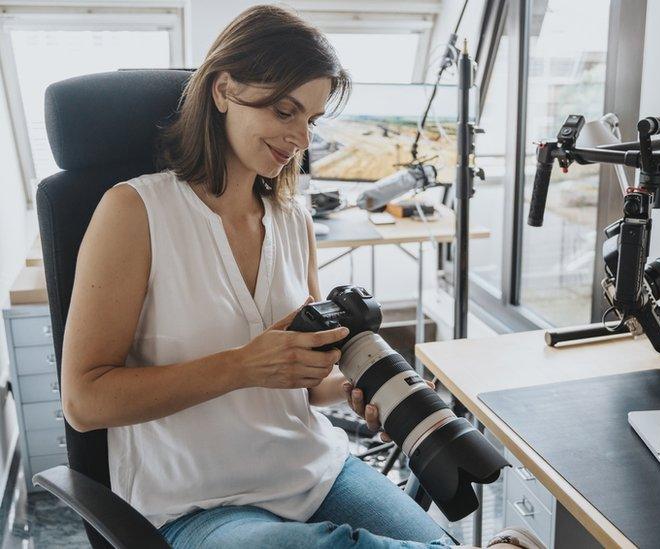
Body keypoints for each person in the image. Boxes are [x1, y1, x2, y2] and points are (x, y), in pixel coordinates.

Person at [60, 5, 540, 549]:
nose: (301, 139)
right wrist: (242, 366)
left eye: (311, 120)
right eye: (285, 111)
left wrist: (356, 388)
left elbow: (307, 383)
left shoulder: (292, 219)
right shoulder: (135, 211)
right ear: (223, 91)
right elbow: (84, 400)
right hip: (196, 502)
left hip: (313, 470)